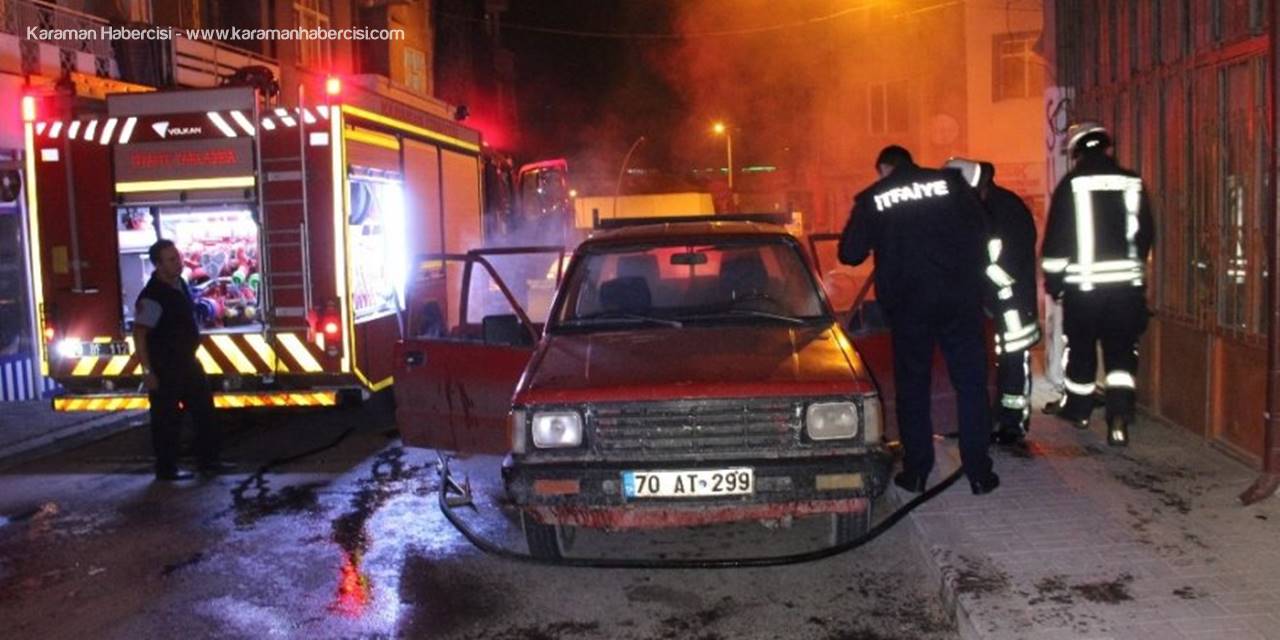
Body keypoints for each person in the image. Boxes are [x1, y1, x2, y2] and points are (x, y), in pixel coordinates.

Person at [840, 145, 1000, 495]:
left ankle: (916, 473)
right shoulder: (951, 184)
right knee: (971, 385)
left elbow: (849, 253)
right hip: (961, 300)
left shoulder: (874, 196)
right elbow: (984, 228)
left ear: (884, 168)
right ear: (911, 162)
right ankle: (979, 473)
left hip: (909, 306)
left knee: (913, 390)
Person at [1041, 122, 1154, 446]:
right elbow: (1145, 233)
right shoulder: (1132, 182)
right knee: (1121, 353)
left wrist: (1054, 283)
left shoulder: (1071, 184)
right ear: (1106, 147)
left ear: (1077, 151)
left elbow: (1056, 242)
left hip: (1084, 291)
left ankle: (1079, 410)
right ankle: (1118, 418)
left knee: (1082, 350)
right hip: (1125, 291)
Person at [944, 158, 1041, 444]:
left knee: (1013, 362)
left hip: (1011, 305)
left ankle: (1013, 424)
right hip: (986, 302)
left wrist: (978, 282)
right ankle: (986, 420)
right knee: (986, 364)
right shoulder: (974, 209)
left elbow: (1008, 262)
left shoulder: (1007, 210)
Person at [133, 239, 233, 480]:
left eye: (177, 258)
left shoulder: (180, 284)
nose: (177, 263)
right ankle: (166, 469)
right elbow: (140, 333)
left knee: (204, 412)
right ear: (157, 265)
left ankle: (209, 462)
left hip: (187, 362)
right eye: (170, 260)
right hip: (165, 366)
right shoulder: (153, 296)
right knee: (166, 419)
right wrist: (148, 371)